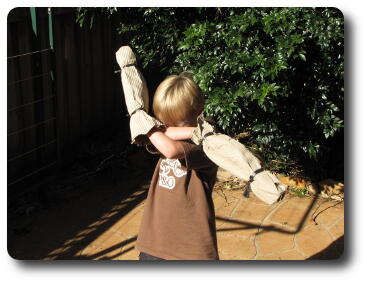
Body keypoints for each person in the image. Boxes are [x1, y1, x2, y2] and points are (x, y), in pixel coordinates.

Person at [135, 73, 219, 260]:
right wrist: (159, 128)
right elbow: (167, 135)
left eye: (175, 122)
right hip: (154, 243)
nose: (166, 129)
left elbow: (171, 150)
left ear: (199, 112)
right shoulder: (164, 133)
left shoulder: (210, 144)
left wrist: (147, 127)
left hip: (190, 249)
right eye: (165, 123)